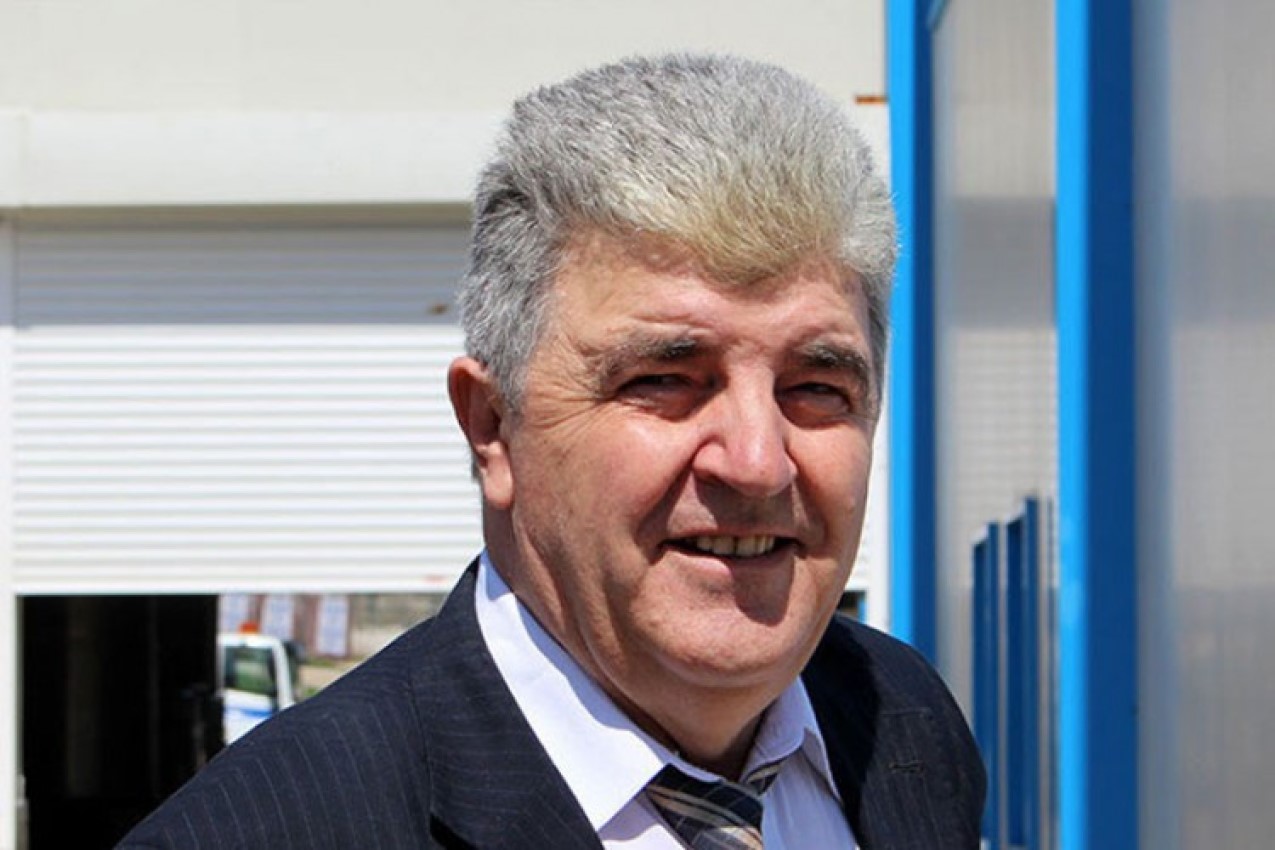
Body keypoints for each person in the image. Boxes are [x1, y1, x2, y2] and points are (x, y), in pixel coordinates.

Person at [119, 53, 985, 850]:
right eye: (664, 379)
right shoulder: (269, 831)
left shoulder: (899, 720)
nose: (757, 462)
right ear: (491, 427)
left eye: (816, 387)